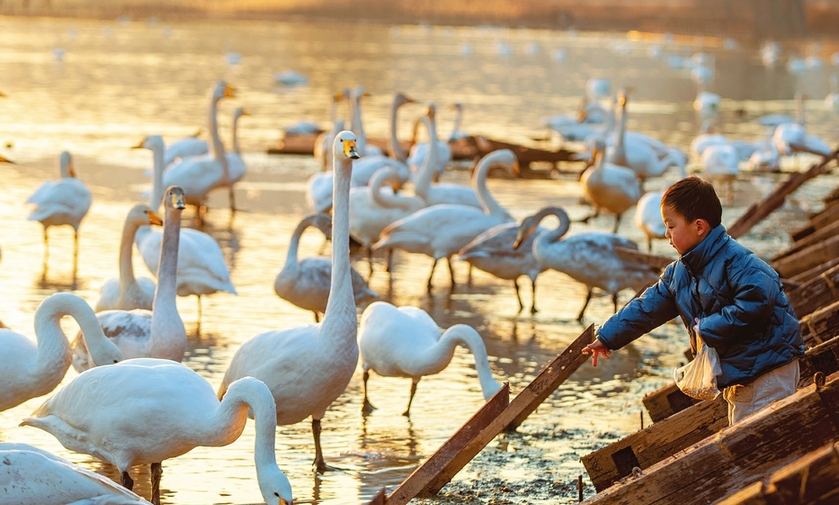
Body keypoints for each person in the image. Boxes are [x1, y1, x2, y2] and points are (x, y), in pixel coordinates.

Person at [582, 176, 804, 425]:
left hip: (769, 368)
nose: (666, 234)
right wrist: (607, 337)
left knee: (756, 439)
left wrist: (706, 328)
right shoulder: (680, 272)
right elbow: (647, 308)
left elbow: (756, 302)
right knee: (744, 429)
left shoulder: (738, 261)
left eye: (671, 226)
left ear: (699, 227)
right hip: (742, 372)